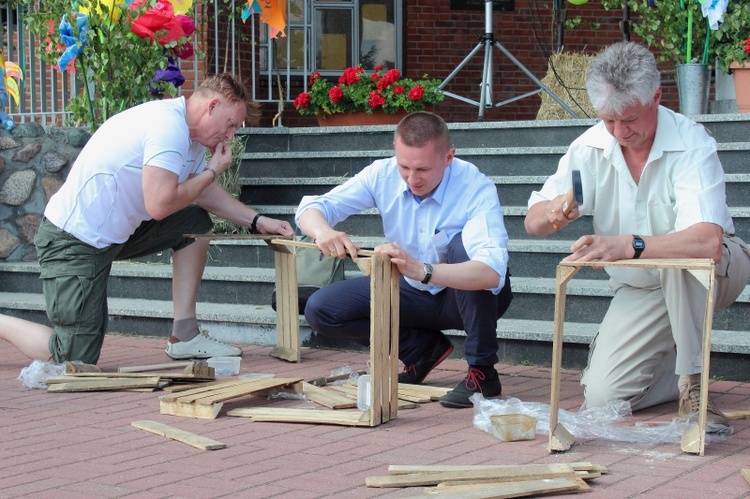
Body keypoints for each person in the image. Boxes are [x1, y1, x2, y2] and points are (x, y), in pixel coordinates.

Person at [525, 41, 750, 427]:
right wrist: (554, 211)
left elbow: (707, 242)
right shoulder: (590, 147)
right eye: (607, 119)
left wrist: (629, 245)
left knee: (677, 258)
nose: (617, 131)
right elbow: (532, 223)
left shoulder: (690, 142)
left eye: (628, 119)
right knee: (604, 396)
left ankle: (694, 386)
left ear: (657, 96)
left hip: (714, 271)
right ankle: (674, 367)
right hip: (642, 288)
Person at [0, 73, 295, 365]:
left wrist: (257, 221)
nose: (230, 135)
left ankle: (185, 336)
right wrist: (213, 170)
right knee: (74, 357)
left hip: (114, 237)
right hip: (72, 241)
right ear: (212, 106)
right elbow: (160, 204)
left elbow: (200, 192)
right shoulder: (167, 127)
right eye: (231, 125)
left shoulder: (189, 135)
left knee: (193, 222)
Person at [296, 111, 513, 408]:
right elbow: (312, 207)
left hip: (463, 299)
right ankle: (421, 350)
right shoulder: (382, 174)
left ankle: (482, 372)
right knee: (321, 309)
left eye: (423, 169)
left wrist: (423, 270)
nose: (412, 179)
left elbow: (491, 271)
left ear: (449, 157)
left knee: (465, 249)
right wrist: (323, 231)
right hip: (411, 293)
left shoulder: (475, 186)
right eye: (404, 167)